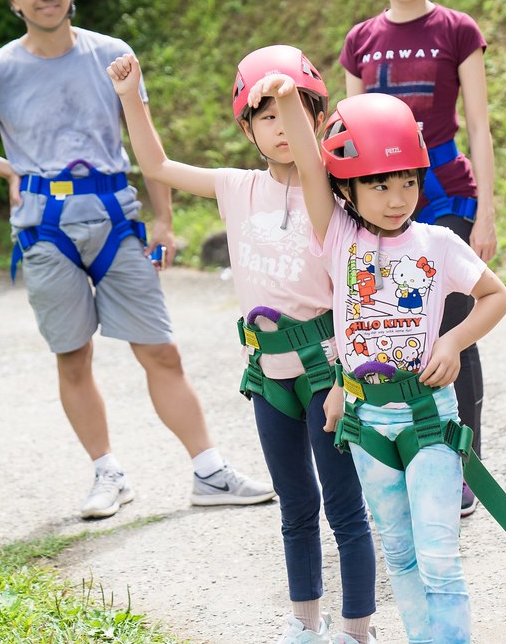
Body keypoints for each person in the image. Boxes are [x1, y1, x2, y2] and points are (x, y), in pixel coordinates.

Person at [0, 0, 274, 520]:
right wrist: (11, 169)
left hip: (116, 219)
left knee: (161, 349)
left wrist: (163, 223)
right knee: (73, 356)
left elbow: (146, 140)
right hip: (44, 231)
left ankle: (209, 471)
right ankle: (107, 473)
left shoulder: (111, 54)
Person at [106, 46, 377, 644]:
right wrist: (131, 96)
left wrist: (283, 96)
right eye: (268, 117)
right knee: (295, 507)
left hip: (327, 371)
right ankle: (305, 623)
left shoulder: (330, 190)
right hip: (267, 371)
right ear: (248, 129)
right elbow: (156, 165)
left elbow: (311, 161)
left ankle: (359, 630)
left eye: (298, 113)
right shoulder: (236, 187)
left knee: (346, 510)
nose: (283, 127)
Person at [252, 73, 506, 643]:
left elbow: (497, 297)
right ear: (347, 191)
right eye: (378, 185)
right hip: (369, 422)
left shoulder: (439, 243)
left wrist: (453, 341)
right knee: (399, 554)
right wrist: (290, 102)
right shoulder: (338, 236)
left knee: (439, 555)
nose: (397, 199)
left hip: (429, 418)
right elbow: (310, 162)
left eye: (407, 182)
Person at [340, 0, 497, 517]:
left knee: (453, 327)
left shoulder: (458, 30)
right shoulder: (361, 39)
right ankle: (399, 456)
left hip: (446, 194)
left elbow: (478, 124)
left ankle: (462, 466)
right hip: (375, 202)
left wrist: (487, 214)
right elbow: (348, 130)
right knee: (386, 322)